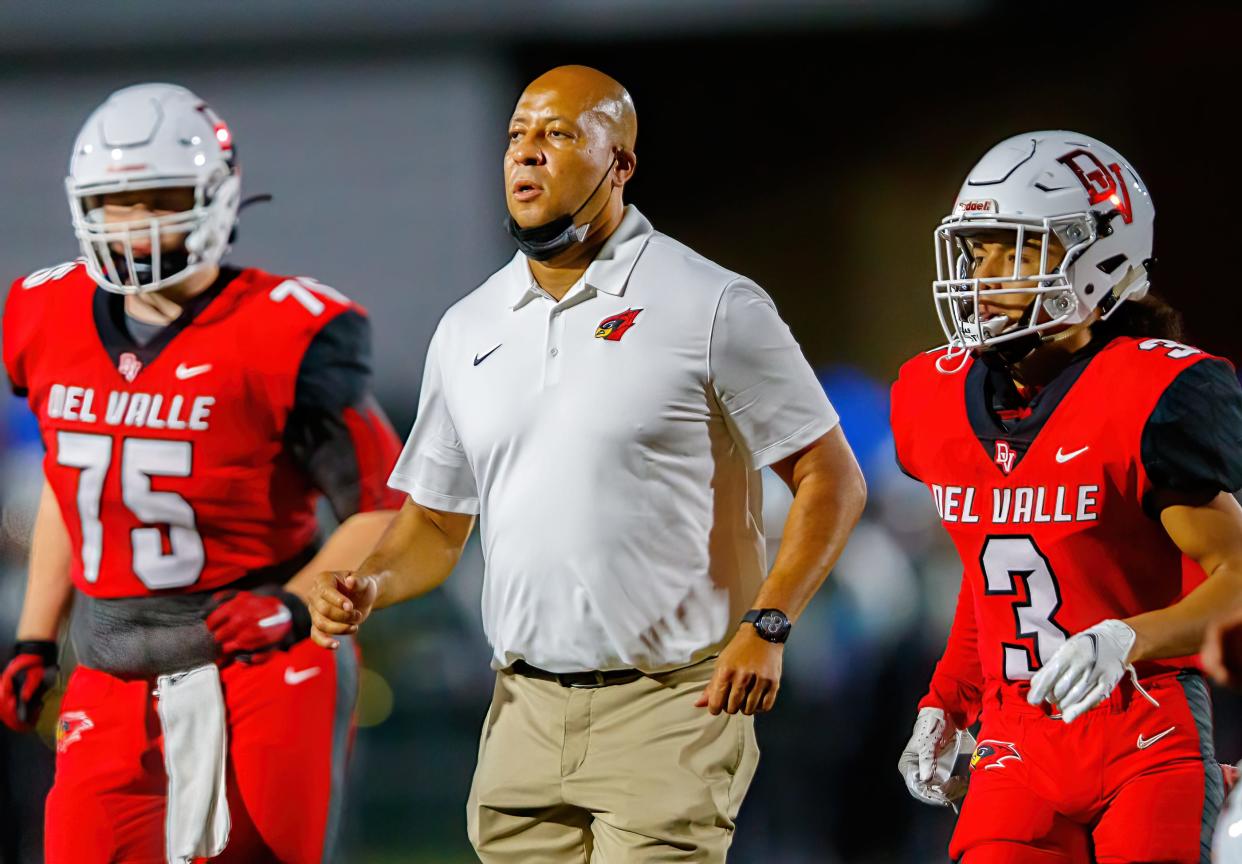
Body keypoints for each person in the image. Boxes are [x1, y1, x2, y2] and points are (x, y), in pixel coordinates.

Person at [308, 64, 867, 862]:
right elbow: (435, 522)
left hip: (671, 704)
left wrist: (769, 624)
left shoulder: (709, 302)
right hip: (520, 712)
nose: (527, 154)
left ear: (621, 162)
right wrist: (372, 582)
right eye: (516, 136)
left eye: (559, 134)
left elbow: (831, 477)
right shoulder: (468, 327)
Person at [0, 83, 404, 863]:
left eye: (161, 197)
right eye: (117, 201)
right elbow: (68, 485)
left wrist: (291, 606)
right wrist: (32, 638)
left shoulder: (287, 331)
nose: (137, 221)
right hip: (112, 667)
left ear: (216, 196)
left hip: (261, 662)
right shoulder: (41, 314)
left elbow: (383, 507)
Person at [892, 130, 1242, 864]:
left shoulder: (1147, 393)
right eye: (977, 249)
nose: (984, 276)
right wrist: (945, 702)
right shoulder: (935, 396)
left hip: (1144, 729)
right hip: (1016, 736)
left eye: (1015, 250)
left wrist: (1128, 637)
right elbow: (995, 571)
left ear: (1101, 257)